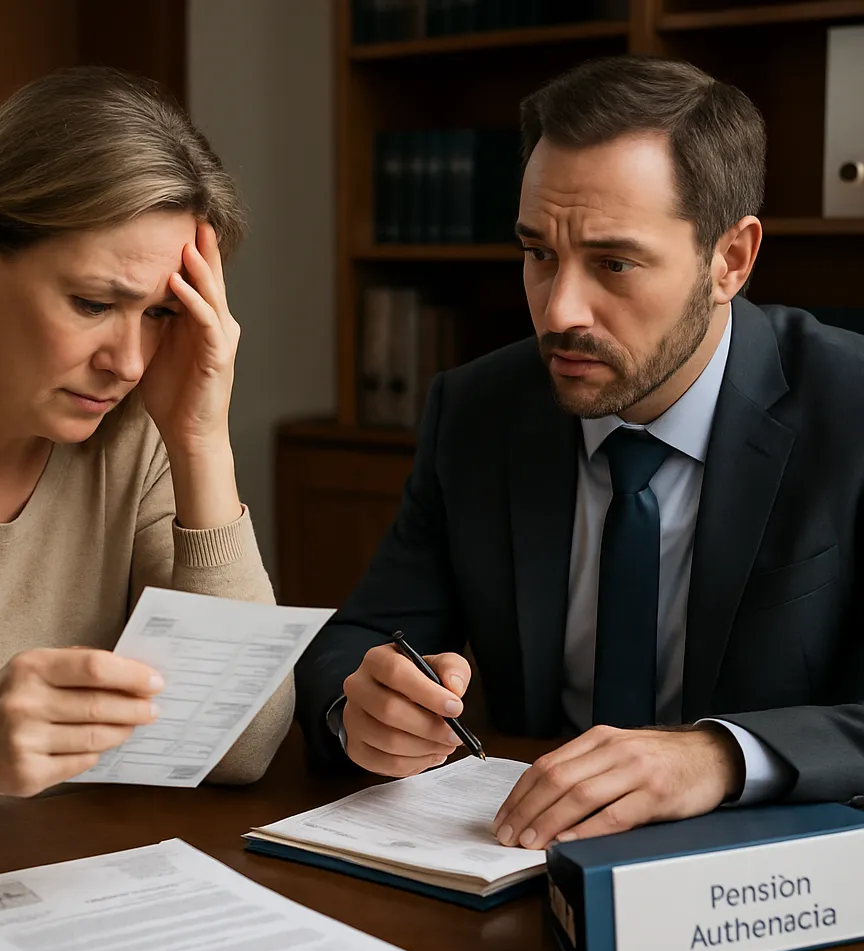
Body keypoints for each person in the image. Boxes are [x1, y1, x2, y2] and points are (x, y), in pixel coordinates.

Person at [295, 55, 864, 852]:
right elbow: (356, 641)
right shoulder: (480, 410)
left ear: (731, 259)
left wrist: (717, 757)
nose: (559, 311)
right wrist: (363, 707)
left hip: (765, 886)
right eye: (538, 254)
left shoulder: (851, 409)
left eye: (614, 263)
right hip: (524, 866)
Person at [0, 67, 289, 869]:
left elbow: (241, 744)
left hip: (69, 915)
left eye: (158, 314)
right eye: (92, 303)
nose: (126, 362)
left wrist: (200, 440)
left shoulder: (134, 436)